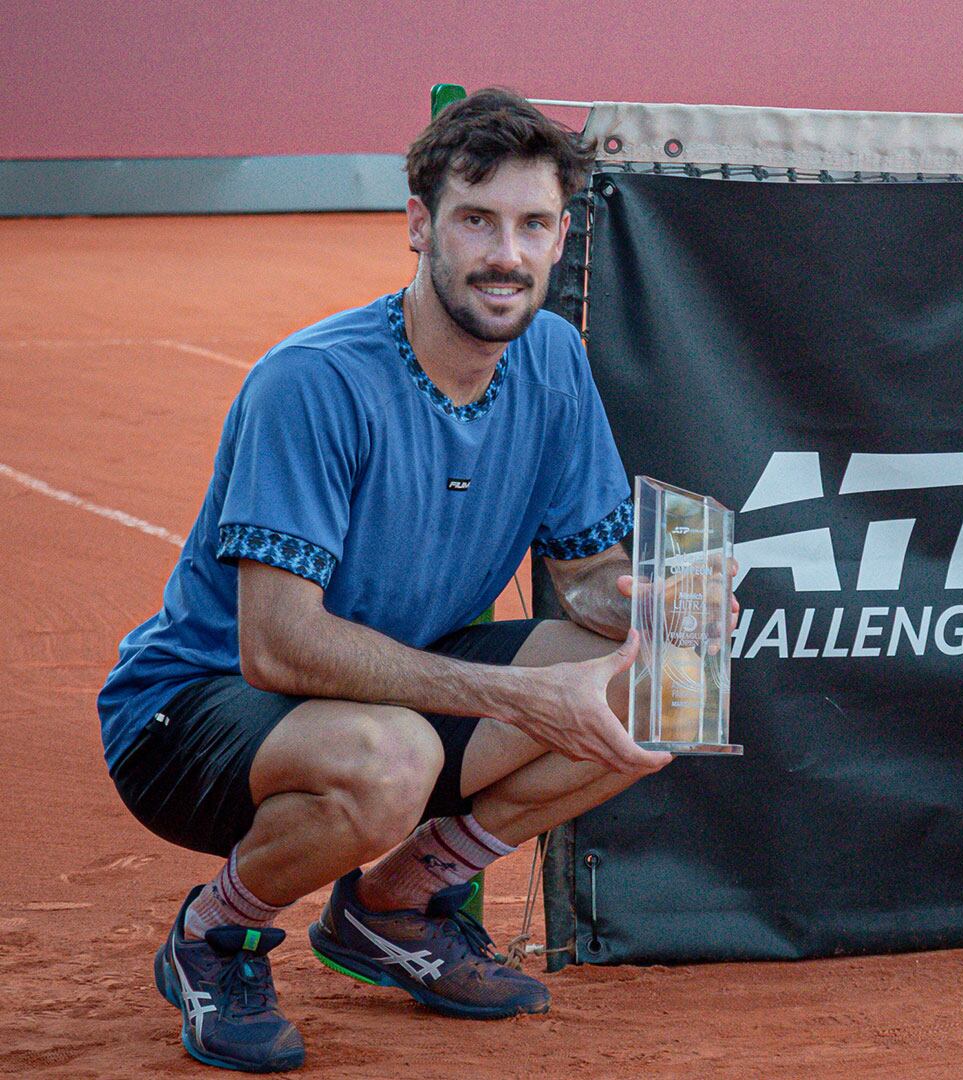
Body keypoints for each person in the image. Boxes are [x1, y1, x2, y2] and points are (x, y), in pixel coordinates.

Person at [98, 89, 678, 1072]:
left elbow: (588, 575)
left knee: (665, 678)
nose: (506, 253)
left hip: (404, 684)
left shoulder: (553, 358)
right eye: (476, 220)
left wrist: (647, 605)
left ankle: (395, 908)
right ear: (420, 226)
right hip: (196, 705)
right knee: (392, 758)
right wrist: (510, 693)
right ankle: (215, 934)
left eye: (533, 224)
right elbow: (278, 644)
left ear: (560, 235)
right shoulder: (313, 383)